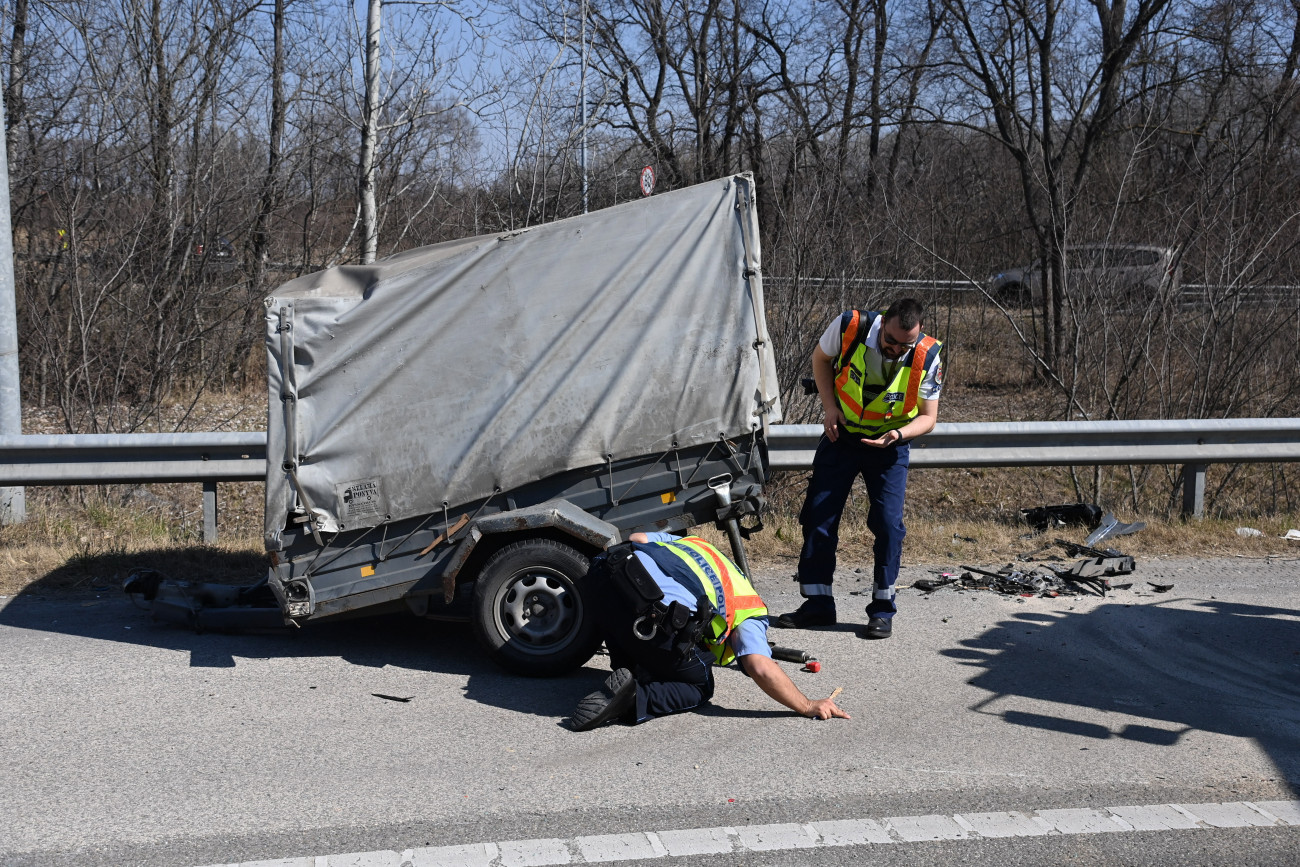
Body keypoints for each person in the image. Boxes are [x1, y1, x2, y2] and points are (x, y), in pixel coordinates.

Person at [776, 298, 943, 639]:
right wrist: (829, 407)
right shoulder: (850, 326)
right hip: (842, 436)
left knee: (887, 525)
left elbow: (928, 418)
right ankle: (818, 605)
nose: (896, 349)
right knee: (819, 518)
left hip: (889, 446)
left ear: (919, 333)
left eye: (904, 345)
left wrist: (897, 434)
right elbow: (821, 359)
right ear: (883, 324)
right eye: (891, 341)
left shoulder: (928, 354)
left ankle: (882, 610)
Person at [569, 532, 850, 730]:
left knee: (623, 611)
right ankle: (634, 697)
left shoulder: (698, 545)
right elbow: (760, 667)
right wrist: (807, 705)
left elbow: (638, 538)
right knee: (700, 685)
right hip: (647, 616)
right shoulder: (749, 608)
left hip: (601, 575)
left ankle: (632, 668)